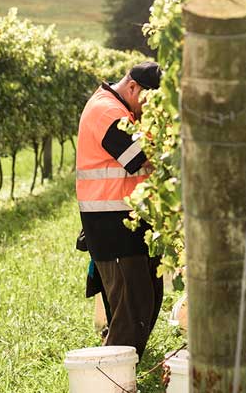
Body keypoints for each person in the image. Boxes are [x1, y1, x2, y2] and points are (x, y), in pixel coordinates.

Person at [76, 60, 163, 356]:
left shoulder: (123, 110)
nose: (150, 111)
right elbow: (137, 156)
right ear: (132, 87)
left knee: (145, 298)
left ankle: (122, 362)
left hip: (129, 222)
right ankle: (112, 373)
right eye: (149, 102)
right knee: (132, 305)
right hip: (112, 225)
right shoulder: (106, 111)